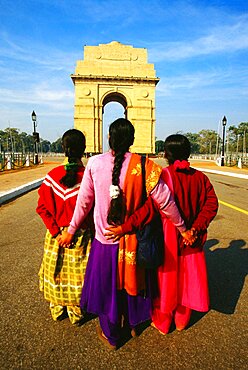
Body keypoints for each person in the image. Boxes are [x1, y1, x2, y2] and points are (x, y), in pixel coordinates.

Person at [59, 119, 193, 349]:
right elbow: (165, 201)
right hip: (133, 242)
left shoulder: (94, 163)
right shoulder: (144, 165)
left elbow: (84, 202)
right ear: (132, 140)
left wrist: (70, 231)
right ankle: (131, 323)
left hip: (105, 241)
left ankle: (111, 334)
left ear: (109, 138)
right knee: (132, 286)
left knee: (108, 289)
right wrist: (183, 229)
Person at [106, 134, 218, 334]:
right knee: (187, 280)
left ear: (166, 154)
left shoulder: (164, 175)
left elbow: (149, 209)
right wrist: (194, 229)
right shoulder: (201, 178)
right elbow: (211, 205)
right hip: (192, 240)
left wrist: (125, 227)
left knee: (166, 281)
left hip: (168, 238)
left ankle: (163, 322)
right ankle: (182, 320)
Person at [36, 129, 94, 325]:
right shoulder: (89, 177)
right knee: (78, 275)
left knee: (55, 271)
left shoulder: (52, 176)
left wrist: (56, 231)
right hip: (81, 237)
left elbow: (42, 208)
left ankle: (57, 309)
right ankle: (76, 312)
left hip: (56, 236)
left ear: (63, 148)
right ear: (84, 149)